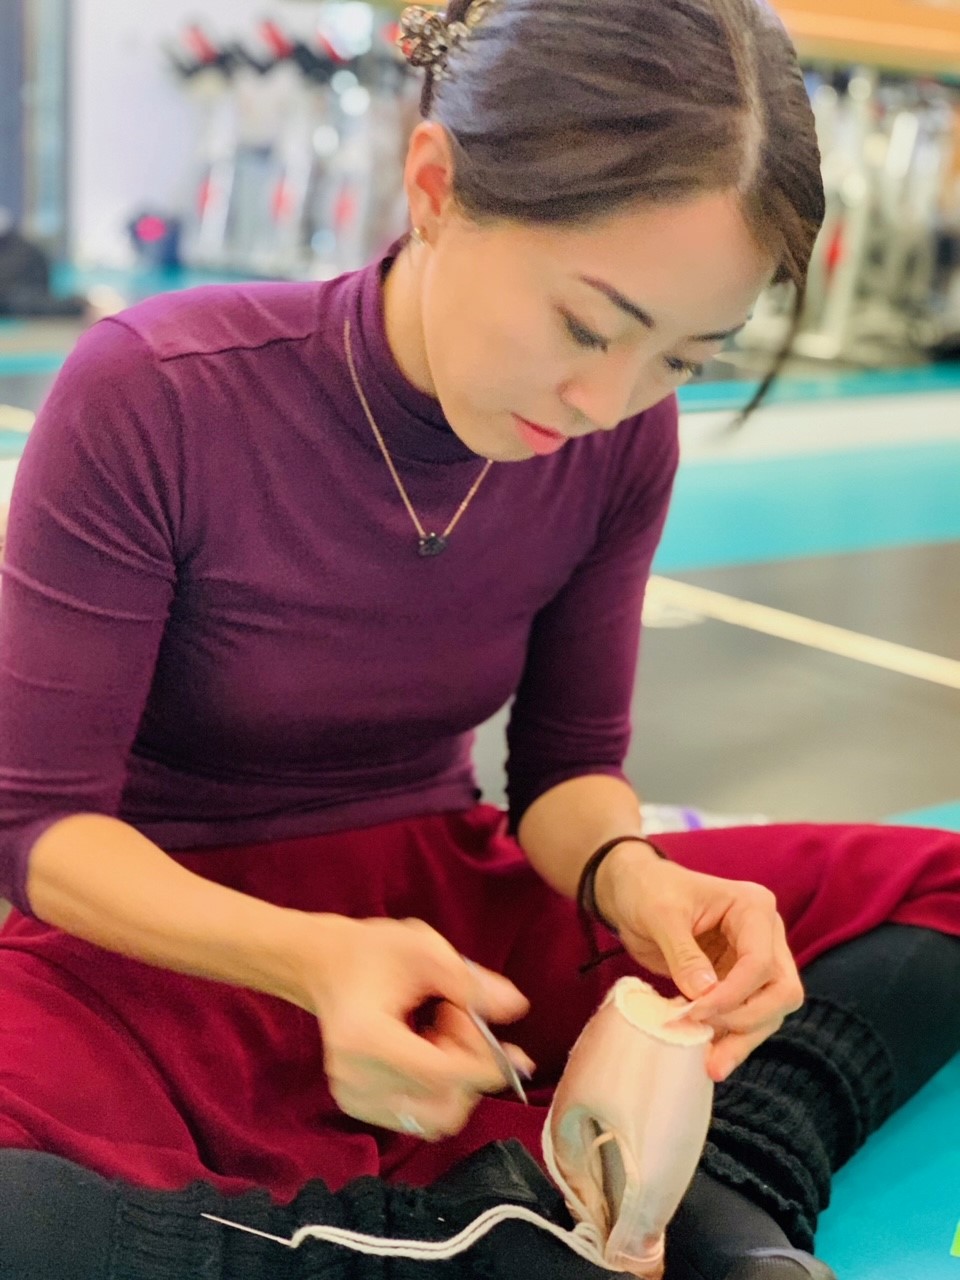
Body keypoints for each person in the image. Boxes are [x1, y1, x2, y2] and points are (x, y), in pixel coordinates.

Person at [0, 1, 957, 1277]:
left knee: (937, 880)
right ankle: (475, 1233)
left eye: (683, 357)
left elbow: (562, 774)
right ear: (437, 186)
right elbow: (35, 829)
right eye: (586, 325)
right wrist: (309, 959)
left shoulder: (621, 439)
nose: (604, 400)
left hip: (453, 913)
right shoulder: (154, 393)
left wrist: (633, 877)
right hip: (164, 934)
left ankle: (720, 1172)